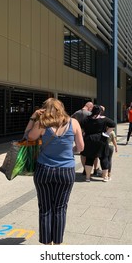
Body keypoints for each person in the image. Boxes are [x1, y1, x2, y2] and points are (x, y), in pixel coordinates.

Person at [25, 98, 84, 245]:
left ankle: (46, 243)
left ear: (44, 109)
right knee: (60, 208)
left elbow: (28, 137)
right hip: (66, 171)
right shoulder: (73, 122)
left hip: (44, 170)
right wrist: (70, 151)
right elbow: (81, 148)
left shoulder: (41, 123)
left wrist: (33, 117)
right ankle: (57, 244)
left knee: (45, 207)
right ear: (61, 108)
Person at [81, 105, 116, 182]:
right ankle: (105, 177)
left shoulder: (86, 119)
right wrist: (107, 133)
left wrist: (84, 133)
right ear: (100, 111)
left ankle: (87, 177)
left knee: (89, 158)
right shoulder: (104, 119)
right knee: (104, 158)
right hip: (101, 139)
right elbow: (113, 124)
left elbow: (81, 127)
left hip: (89, 139)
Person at [71, 102, 102, 176]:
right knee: (94, 154)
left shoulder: (76, 113)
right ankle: (95, 169)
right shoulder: (89, 114)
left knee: (82, 153)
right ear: (90, 107)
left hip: (78, 135)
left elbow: (71, 120)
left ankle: (85, 170)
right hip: (88, 135)